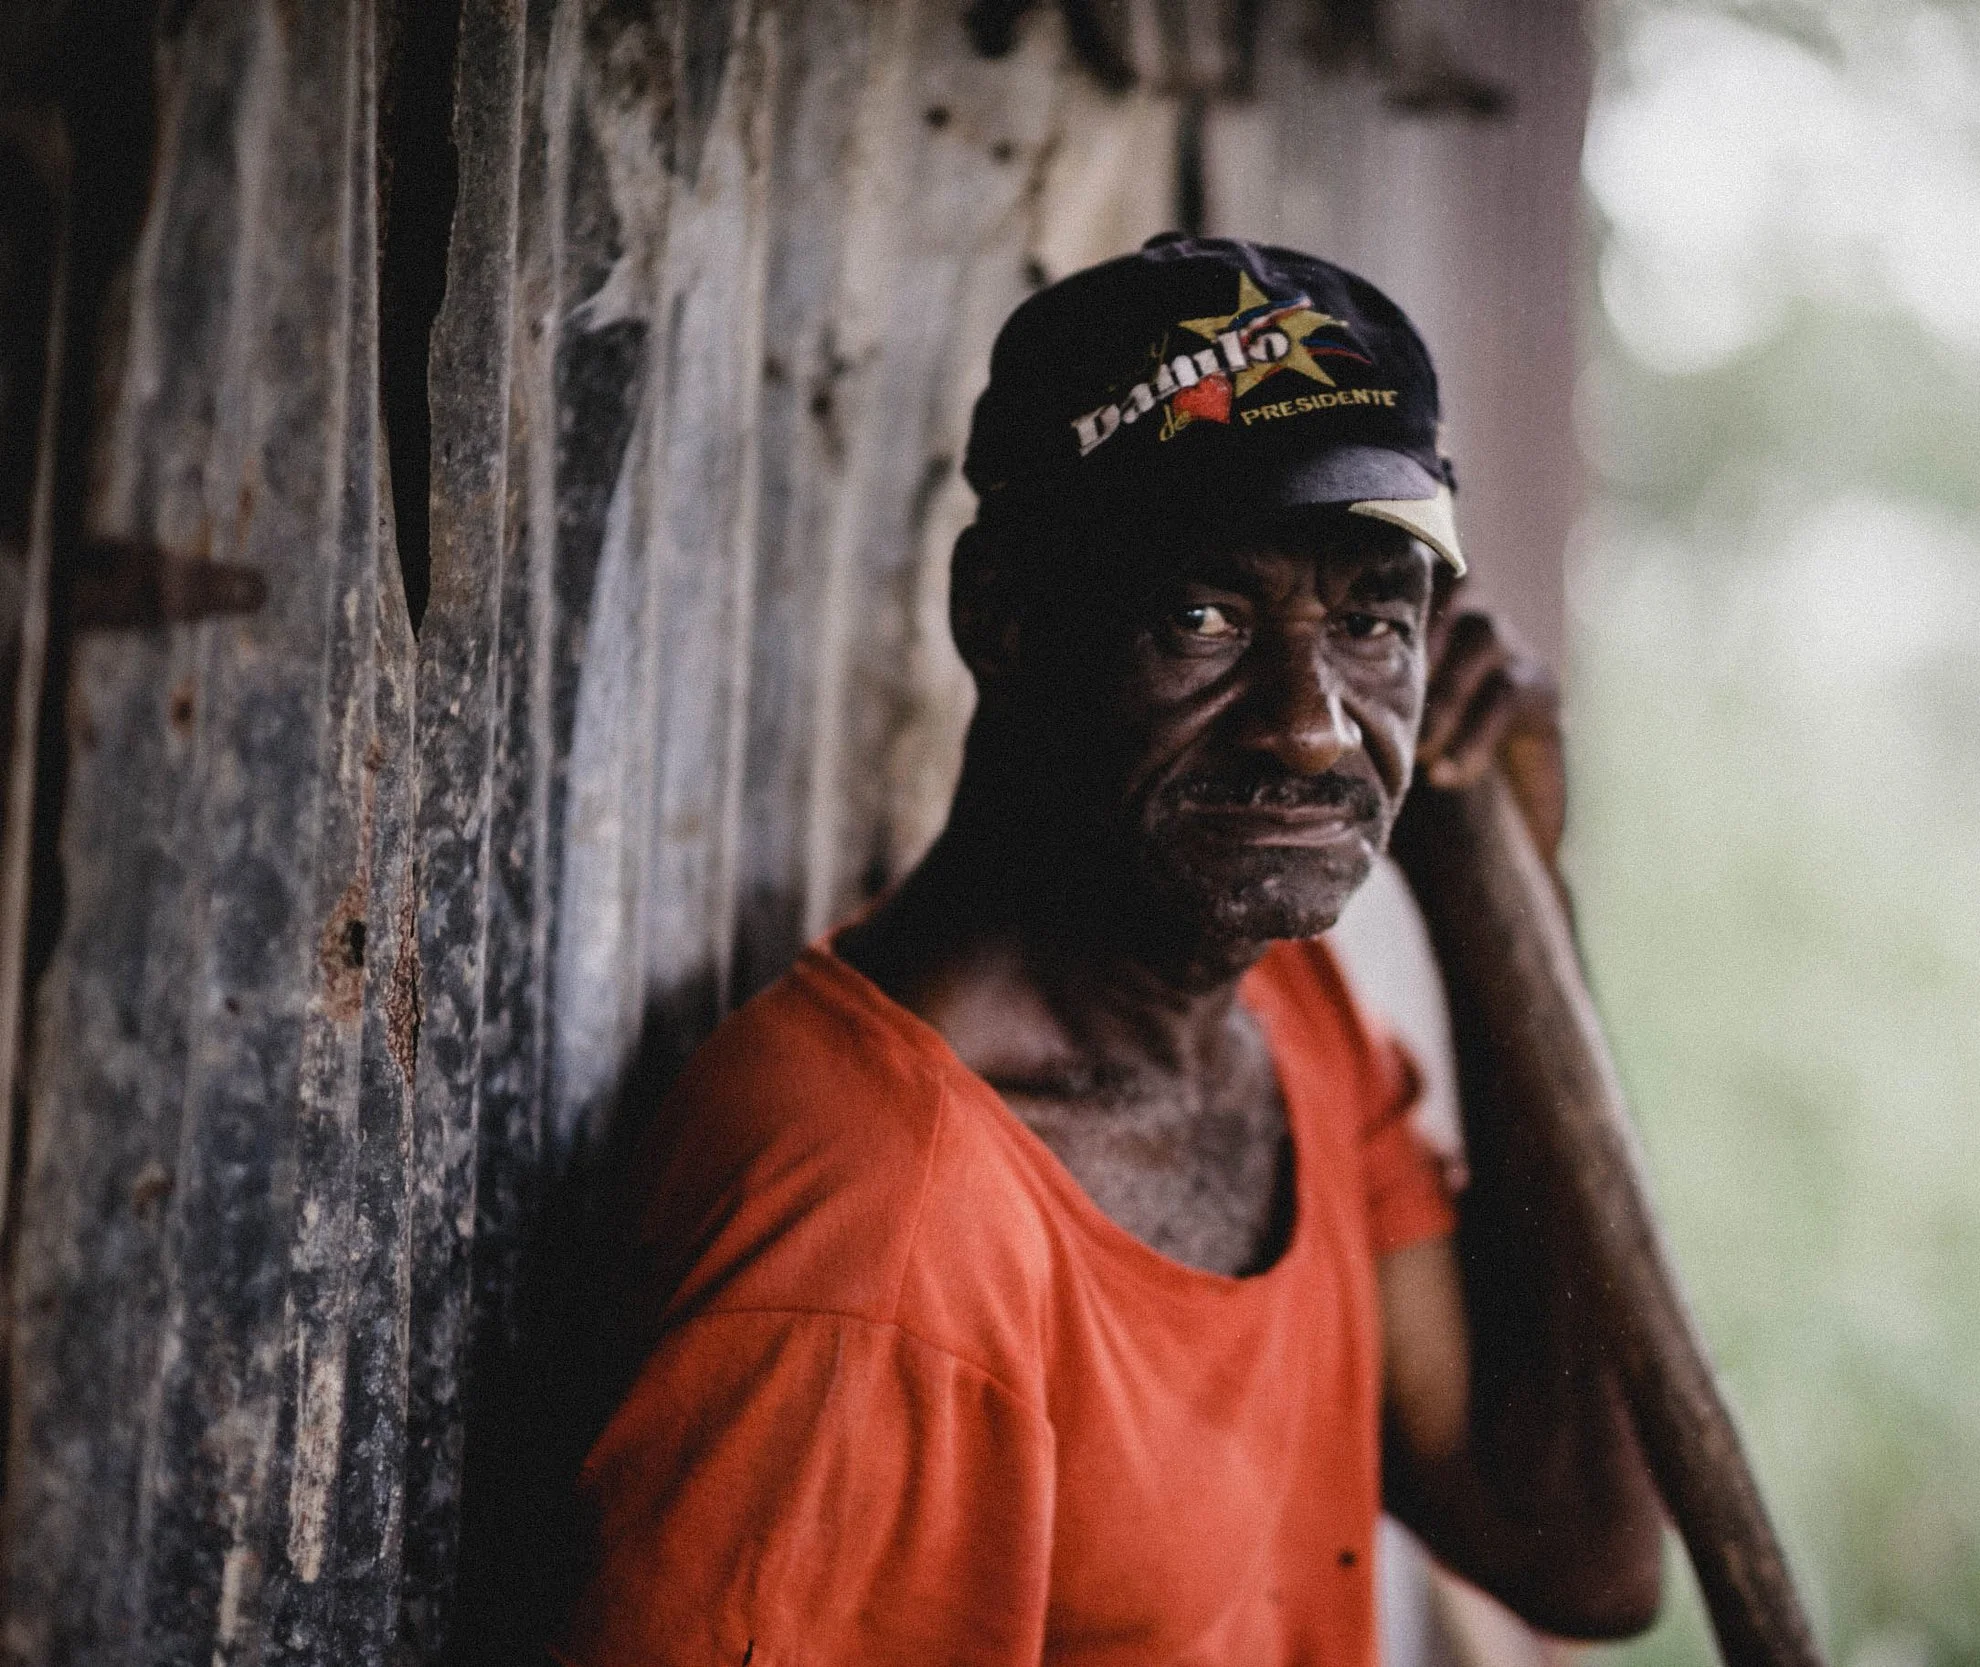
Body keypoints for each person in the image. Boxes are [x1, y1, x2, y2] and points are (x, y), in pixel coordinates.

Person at [554, 234, 1664, 1665]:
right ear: (1002, 616)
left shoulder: (1290, 1021)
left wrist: (1504, 903)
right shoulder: (876, 1231)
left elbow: (1579, 1548)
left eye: (1371, 621)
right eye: (1202, 617)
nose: (1314, 726)